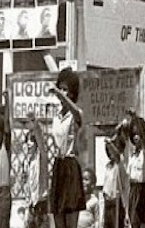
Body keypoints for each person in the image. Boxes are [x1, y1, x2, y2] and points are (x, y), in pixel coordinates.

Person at [49, 68, 87, 228]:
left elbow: (78, 114)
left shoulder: (75, 114)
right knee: (58, 217)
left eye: (66, 90)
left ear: (72, 93)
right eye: (61, 88)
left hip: (71, 166)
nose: (63, 93)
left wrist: (59, 94)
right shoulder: (56, 116)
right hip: (58, 165)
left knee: (71, 218)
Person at [117, 112, 145, 228]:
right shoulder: (132, 154)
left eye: (138, 134)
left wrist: (136, 119)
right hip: (133, 189)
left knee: (144, 222)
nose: (136, 137)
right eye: (134, 134)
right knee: (133, 222)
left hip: (143, 189)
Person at [24, 111, 50, 228]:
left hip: (41, 204)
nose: (29, 144)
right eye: (28, 141)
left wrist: (34, 123)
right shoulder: (27, 163)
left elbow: (40, 140)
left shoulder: (41, 158)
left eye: (32, 141)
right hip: (31, 205)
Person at [101, 137, 128, 228]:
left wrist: (110, 144)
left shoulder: (120, 164)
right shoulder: (108, 166)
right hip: (107, 201)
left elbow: (118, 157)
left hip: (116, 201)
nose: (110, 153)